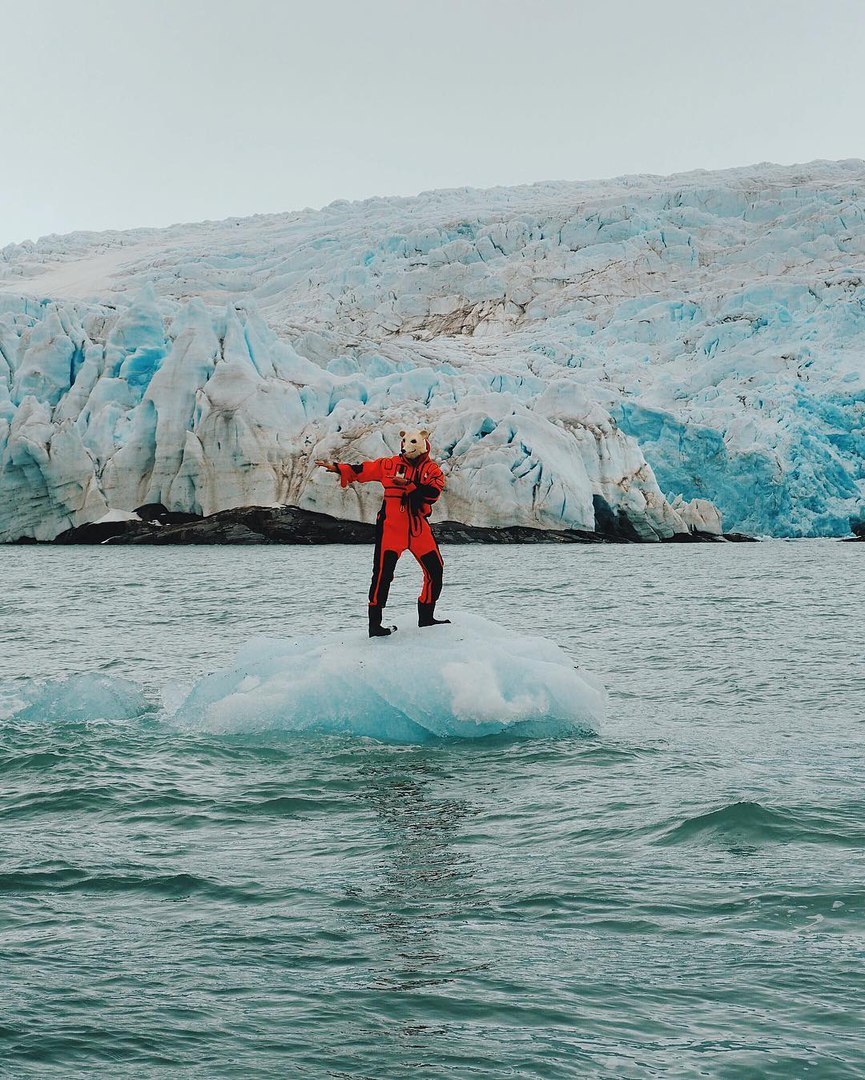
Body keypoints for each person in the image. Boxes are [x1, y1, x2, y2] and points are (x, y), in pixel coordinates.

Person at [316, 428, 450, 637]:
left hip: (417, 528)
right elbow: (363, 470)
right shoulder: (389, 465)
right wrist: (338, 468)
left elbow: (433, 493)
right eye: (405, 442)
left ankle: (426, 617)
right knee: (382, 575)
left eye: (413, 442)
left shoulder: (432, 470)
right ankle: (375, 625)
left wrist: (410, 486)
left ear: (423, 443)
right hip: (391, 528)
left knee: (435, 571)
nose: (407, 446)